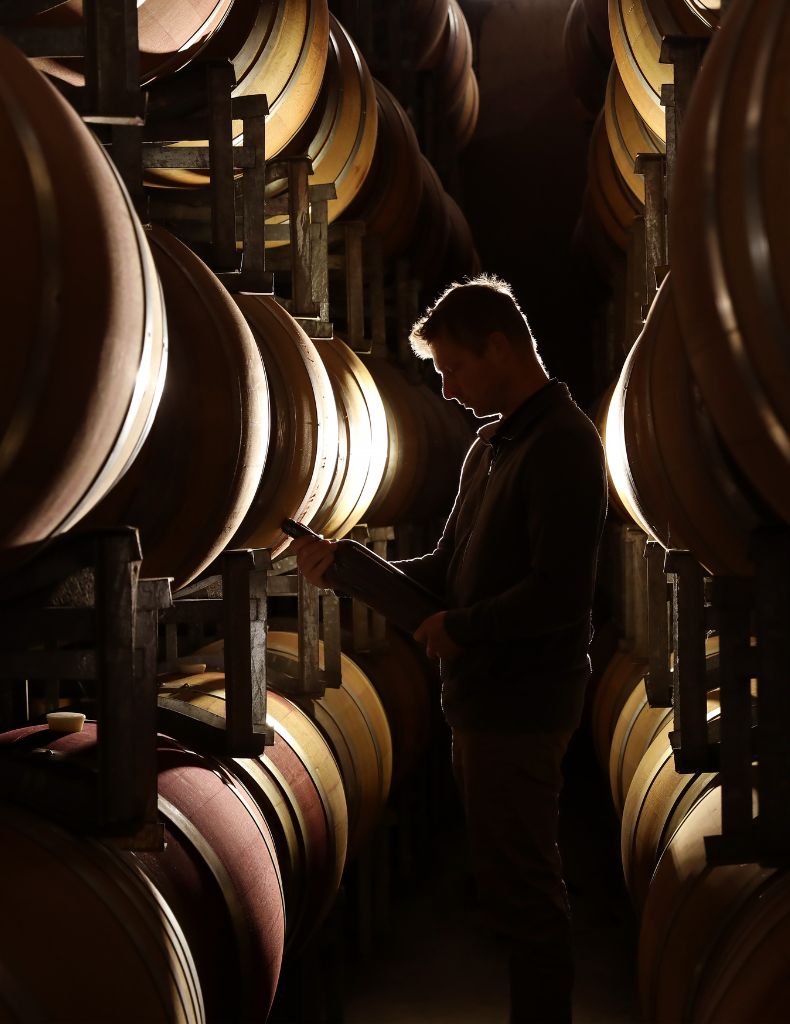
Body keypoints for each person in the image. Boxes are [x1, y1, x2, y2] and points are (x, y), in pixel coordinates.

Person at [292, 275, 608, 1023]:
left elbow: (560, 592)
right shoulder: (490, 446)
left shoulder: (563, 444)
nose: (449, 388)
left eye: (455, 368)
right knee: (508, 885)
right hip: (482, 696)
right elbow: (445, 569)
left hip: (525, 700)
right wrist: (349, 568)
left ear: (499, 346)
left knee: (527, 891)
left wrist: (464, 628)